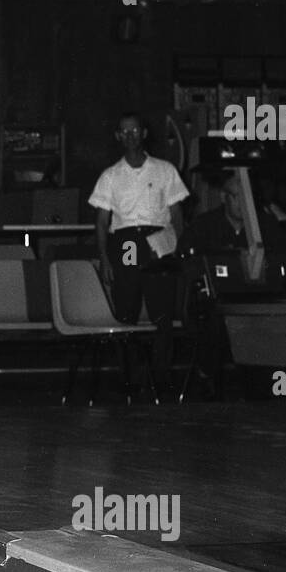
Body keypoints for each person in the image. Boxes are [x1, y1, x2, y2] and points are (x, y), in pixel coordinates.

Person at [89, 112, 189, 384]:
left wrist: (177, 249)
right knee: (127, 306)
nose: (131, 136)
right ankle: (130, 377)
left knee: (162, 312)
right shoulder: (110, 176)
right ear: (118, 137)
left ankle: (161, 375)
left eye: (135, 131)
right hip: (128, 242)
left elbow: (177, 213)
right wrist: (105, 259)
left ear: (144, 134)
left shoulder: (164, 169)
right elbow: (102, 222)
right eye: (125, 132)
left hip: (157, 239)